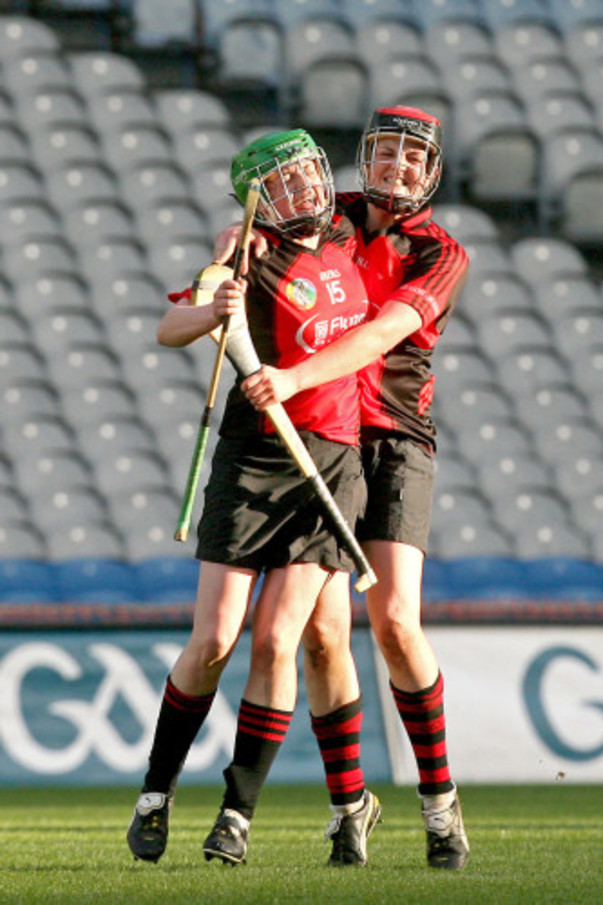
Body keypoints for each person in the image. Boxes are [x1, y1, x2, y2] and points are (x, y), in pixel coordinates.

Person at [214, 106, 470, 870]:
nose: (395, 169)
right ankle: (351, 808)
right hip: (323, 441)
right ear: (363, 158)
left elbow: (379, 334)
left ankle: (440, 801)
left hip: (394, 440)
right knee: (323, 634)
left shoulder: (444, 252)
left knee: (392, 621)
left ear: (431, 173)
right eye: (384, 154)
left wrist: (291, 376)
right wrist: (234, 243)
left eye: (411, 159)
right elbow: (255, 236)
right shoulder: (335, 217)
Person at [126, 129, 381, 868]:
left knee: (281, 639)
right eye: (286, 183)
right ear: (259, 199)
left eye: (308, 175)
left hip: (329, 462)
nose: (305, 190)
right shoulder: (244, 255)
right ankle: (155, 793)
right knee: (213, 642)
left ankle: (236, 814)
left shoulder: (350, 233)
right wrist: (215, 309)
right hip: (251, 462)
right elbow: (170, 326)